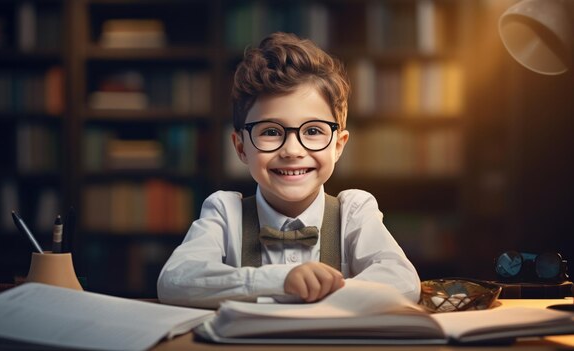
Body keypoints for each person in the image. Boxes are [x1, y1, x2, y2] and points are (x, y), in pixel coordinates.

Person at [157, 32, 420, 308]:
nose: (292, 151)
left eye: (314, 130)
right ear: (241, 147)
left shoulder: (353, 212)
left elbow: (403, 282)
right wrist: (280, 280)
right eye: (271, 131)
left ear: (339, 146)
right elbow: (174, 281)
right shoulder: (225, 212)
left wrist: (323, 293)